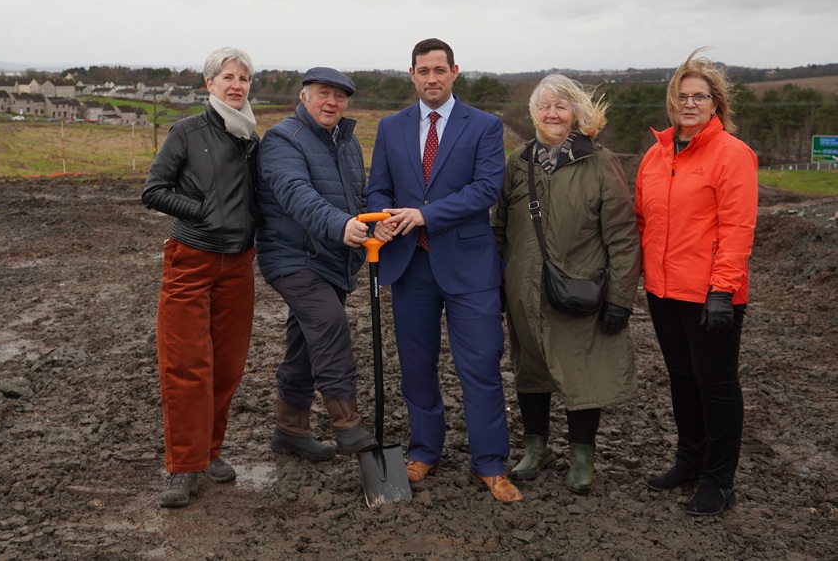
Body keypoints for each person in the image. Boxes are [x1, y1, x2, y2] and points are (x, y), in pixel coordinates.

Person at [367, 38, 522, 503]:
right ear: (411, 75)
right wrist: (386, 218)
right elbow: (377, 190)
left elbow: (485, 190)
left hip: (469, 268)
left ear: (455, 72)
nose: (431, 78)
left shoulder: (485, 126)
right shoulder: (392, 128)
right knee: (416, 367)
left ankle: (490, 464)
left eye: (440, 70)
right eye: (422, 71)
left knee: (480, 366)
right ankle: (424, 451)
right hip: (410, 265)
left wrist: (424, 214)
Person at [492, 74, 641, 495]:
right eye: (545, 106)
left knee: (583, 375)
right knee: (531, 372)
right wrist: (496, 284)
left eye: (562, 105)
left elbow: (623, 236)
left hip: (581, 292)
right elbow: (499, 225)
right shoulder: (519, 161)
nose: (552, 113)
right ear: (534, 113)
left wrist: (620, 300)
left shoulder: (599, 162)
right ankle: (536, 449)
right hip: (524, 289)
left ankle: (582, 457)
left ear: (577, 112)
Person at [635, 48, 758, 516]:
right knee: (682, 380)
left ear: (715, 103)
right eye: (682, 96)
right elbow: (644, 221)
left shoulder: (733, 155)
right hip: (663, 291)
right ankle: (688, 461)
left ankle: (718, 479)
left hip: (712, 295)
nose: (689, 104)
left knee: (717, 384)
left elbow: (737, 227)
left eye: (699, 97)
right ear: (672, 102)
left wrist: (723, 290)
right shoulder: (655, 154)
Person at [141, 47, 261, 508]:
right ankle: (182, 467)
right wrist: (202, 212)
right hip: (191, 259)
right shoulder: (187, 132)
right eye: (227, 77)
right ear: (209, 84)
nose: (236, 85)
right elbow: (153, 190)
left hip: (239, 264)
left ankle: (210, 453)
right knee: (186, 365)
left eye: (244, 78)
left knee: (227, 366)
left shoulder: (250, 137)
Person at [256, 67, 378, 461]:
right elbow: (295, 193)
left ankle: (289, 430)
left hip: (334, 257)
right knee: (328, 323)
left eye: (340, 97)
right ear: (304, 97)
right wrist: (340, 224)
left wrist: (372, 225)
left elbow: (356, 198)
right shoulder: (282, 139)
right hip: (293, 256)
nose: (332, 103)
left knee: (307, 342)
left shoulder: (347, 142)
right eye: (324, 94)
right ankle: (347, 424)